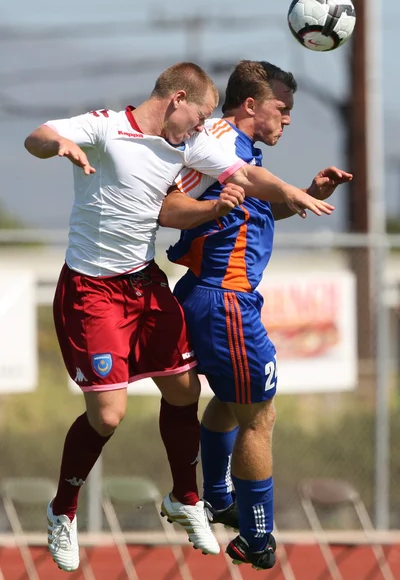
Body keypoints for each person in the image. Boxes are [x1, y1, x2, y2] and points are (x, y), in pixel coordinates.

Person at [24, 61, 335, 572]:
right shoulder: (106, 126)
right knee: (109, 416)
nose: (203, 128)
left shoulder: (188, 144)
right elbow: (38, 135)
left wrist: (292, 193)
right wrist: (57, 145)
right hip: (91, 290)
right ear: (178, 98)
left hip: (144, 283)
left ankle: (187, 498)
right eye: (200, 115)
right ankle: (63, 510)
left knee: (187, 390)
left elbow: (244, 175)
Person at [158, 60, 352, 570]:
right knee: (260, 416)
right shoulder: (220, 139)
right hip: (225, 299)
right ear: (250, 105)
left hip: (213, 295)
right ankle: (256, 534)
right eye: (281, 108)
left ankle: (219, 496)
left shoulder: (237, 156)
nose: (287, 119)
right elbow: (176, 192)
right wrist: (286, 188)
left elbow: (254, 203)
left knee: (231, 399)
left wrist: (304, 193)